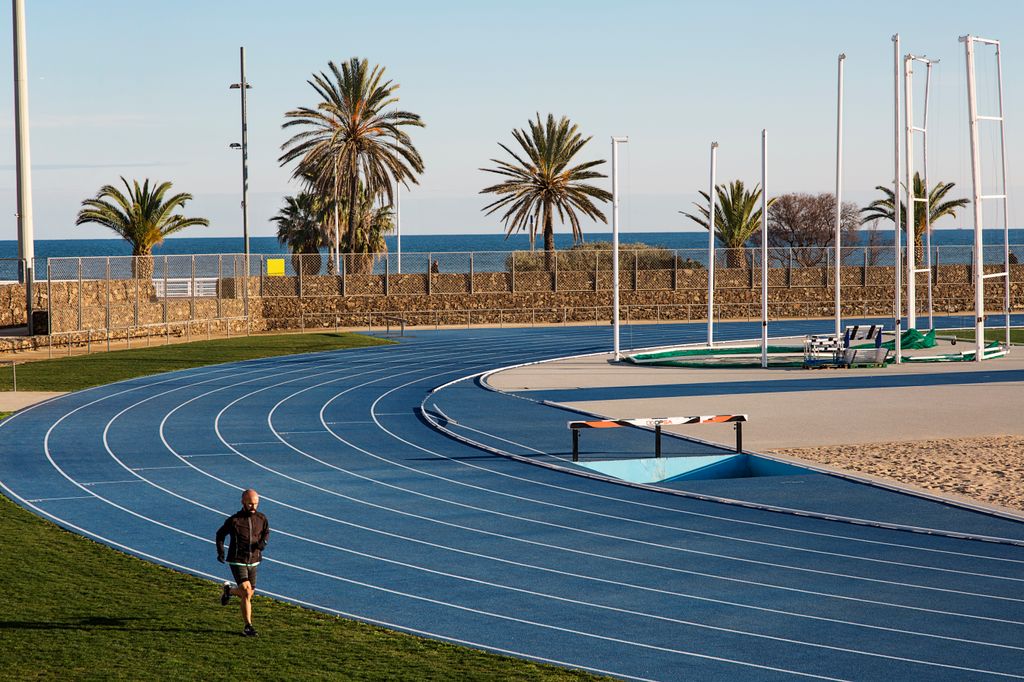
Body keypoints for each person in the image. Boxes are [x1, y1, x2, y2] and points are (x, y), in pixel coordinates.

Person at [216, 489, 270, 637]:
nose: (253, 507)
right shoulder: (234, 520)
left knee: (249, 594)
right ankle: (248, 626)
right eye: (250, 504)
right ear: (243, 502)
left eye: (256, 504)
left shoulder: (261, 518)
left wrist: (263, 543)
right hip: (237, 560)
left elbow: (266, 532)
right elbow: (220, 535)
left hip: (254, 561)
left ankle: (229, 591)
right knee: (246, 591)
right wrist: (221, 552)